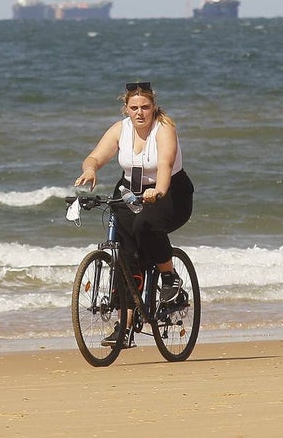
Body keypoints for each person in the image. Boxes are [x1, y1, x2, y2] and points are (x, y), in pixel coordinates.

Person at [74, 81, 195, 317]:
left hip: (171, 191)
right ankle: (124, 325)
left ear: (153, 107)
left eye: (145, 107)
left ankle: (169, 276)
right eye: (134, 108)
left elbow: (165, 164)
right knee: (125, 252)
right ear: (126, 109)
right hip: (130, 190)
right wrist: (90, 169)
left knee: (145, 225)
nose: (140, 113)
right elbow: (95, 156)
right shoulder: (120, 129)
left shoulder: (164, 127)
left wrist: (158, 191)